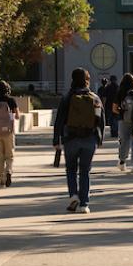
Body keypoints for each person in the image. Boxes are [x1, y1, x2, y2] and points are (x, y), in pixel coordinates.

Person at [52, 68, 105, 214]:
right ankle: (84, 204)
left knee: (71, 169)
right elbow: (100, 119)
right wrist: (99, 138)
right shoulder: (94, 98)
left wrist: (56, 139)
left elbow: (59, 120)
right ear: (87, 80)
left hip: (71, 138)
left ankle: (73, 195)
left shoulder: (67, 97)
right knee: (85, 171)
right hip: (89, 138)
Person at [115, 73, 133, 171]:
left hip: (123, 120)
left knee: (124, 141)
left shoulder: (120, 92)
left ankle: (122, 162)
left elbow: (114, 108)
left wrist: (122, 111)